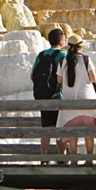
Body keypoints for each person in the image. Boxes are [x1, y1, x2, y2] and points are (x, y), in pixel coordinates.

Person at [56, 35, 96, 162]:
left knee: (72, 130)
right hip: (87, 99)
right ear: (80, 47)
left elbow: (59, 80)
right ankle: (89, 159)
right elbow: (93, 78)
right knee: (88, 130)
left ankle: (74, 159)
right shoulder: (86, 60)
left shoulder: (62, 61)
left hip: (69, 100)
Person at [30, 28, 68, 158]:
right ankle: (62, 159)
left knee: (46, 129)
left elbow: (32, 75)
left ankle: (44, 158)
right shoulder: (63, 56)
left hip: (43, 98)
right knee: (60, 129)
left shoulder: (41, 55)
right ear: (61, 40)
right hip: (58, 97)